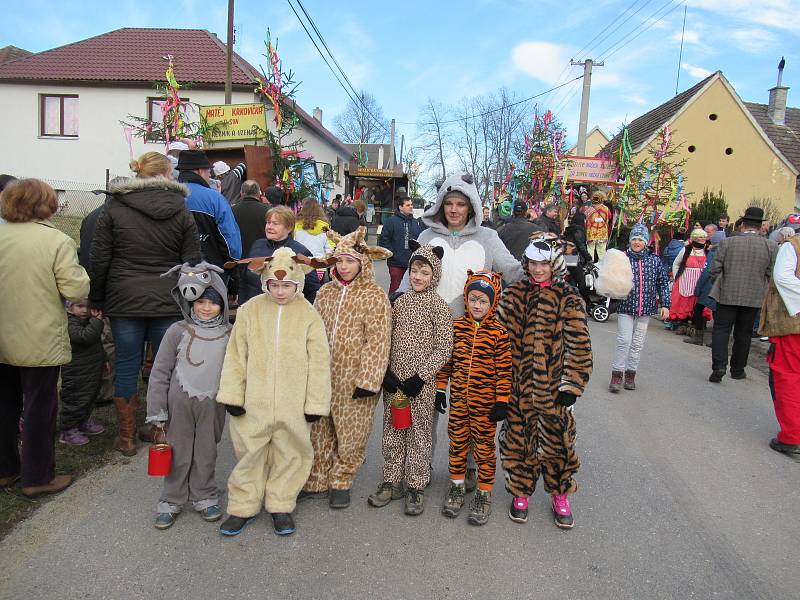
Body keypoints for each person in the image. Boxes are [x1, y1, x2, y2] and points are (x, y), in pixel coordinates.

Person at [402, 172, 523, 492]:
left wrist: (544, 263)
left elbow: (512, 271)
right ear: (441, 205)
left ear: (472, 207)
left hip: (475, 334)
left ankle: (469, 466)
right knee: (428, 401)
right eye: (449, 203)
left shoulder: (487, 238)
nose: (454, 209)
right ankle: (420, 462)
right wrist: (396, 308)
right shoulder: (427, 236)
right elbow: (412, 275)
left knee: (473, 403)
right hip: (430, 333)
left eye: (461, 204)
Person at [90, 152, 201, 455]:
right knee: (164, 367)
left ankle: (126, 437)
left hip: (124, 298)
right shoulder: (180, 208)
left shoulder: (114, 207)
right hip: (166, 299)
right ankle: (157, 428)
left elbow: (100, 258)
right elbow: (192, 261)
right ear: (166, 174)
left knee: (126, 365)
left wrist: (97, 298)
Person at [217, 248, 331, 536]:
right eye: (275, 285)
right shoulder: (249, 311)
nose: (281, 292)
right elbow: (235, 355)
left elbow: (319, 362)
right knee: (249, 453)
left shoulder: (308, 314)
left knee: (291, 453)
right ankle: (242, 506)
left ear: (298, 283)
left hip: (293, 403)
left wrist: (315, 402)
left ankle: (281, 503)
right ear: (265, 281)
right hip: (254, 401)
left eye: (287, 286)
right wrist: (232, 394)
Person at [0, 179, 90, 497]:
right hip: (37, 336)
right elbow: (75, 289)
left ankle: (6, 469)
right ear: (48, 204)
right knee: (40, 407)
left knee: (5, 405)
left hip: (3, 334)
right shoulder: (56, 241)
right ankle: (37, 476)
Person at [497, 236, 593, 529]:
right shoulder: (514, 295)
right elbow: (499, 342)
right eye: (533, 263)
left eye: (544, 264)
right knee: (518, 441)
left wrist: (572, 385)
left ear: (555, 265)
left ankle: (560, 495)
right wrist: (500, 384)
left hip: (554, 390)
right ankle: (521, 491)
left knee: (558, 445)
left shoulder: (569, 298)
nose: (538, 269)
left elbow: (579, 345)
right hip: (518, 387)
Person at [301, 227, 392, 509]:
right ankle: (317, 478)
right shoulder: (325, 293)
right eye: (339, 261)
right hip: (323, 375)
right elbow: (311, 332)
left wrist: (369, 380)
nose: (343, 266)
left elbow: (378, 340)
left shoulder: (374, 295)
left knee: (350, 433)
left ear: (362, 262)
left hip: (354, 378)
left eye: (350, 261)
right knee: (319, 429)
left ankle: (342, 479)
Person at [145, 263, 232, 530]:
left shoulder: (231, 334)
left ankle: (204, 495)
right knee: (179, 450)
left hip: (213, 404)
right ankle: (171, 500)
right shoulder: (177, 331)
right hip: (179, 402)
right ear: (190, 301)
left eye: (213, 303)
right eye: (201, 302)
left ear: (223, 304)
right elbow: (159, 372)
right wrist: (157, 411)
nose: (206, 308)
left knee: (206, 450)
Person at [369, 243, 453, 516]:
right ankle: (392, 481)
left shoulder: (439, 307)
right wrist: (386, 373)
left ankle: (416, 485)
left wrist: (422, 377)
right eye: (414, 270)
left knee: (419, 434)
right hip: (395, 383)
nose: (417, 276)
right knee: (393, 430)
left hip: (421, 386)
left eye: (424, 272)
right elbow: (384, 339)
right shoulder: (398, 302)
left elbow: (444, 347)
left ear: (434, 275)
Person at [437, 271, 511, 525]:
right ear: (466, 299)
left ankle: (484, 492)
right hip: (458, 401)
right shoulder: (457, 327)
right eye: (473, 300)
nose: (477, 306)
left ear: (493, 303)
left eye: (483, 301)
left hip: (486, 405)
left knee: (483, 449)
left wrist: (502, 401)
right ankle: (457, 486)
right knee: (457, 443)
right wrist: (439, 389)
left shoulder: (499, 334)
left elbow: (504, 371)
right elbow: (447, 363)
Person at [708, 207, 778, 383]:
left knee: (721, 330)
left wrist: (723, 281)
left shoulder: (727, 242)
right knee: (744, 334)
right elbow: (771, 273)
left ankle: (719, 366)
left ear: (743, 224)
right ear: (760, 226)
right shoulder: (771, 246)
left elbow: (715, 269)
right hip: (754, 296)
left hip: (727, 293)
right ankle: (738, 369)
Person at [609, 224, 671, 393]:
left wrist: (666, 304)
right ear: (630, 241)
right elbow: (610, 278)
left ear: (646, 242)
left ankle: (631, 374)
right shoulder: (622, 258)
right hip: (625, 306)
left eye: (640, 239)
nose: (637, 242)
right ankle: (617, 374)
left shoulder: (654, 261)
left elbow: (663, 283)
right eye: (634, 239)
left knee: (637, 343)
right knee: (624, 340)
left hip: (646, 309)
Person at [758, 235, 800, 459]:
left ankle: (792, 436)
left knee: (788, 377)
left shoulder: (792, 246)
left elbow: (783, 278)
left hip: (793, 324)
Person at [238, 206, 321, 305]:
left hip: (284, 314)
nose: (269, 227)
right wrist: (242, 307)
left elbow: (312, 290)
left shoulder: (300, 252)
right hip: (254, 312)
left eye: (275, 223)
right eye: (268, 222)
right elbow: (244, 281)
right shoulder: (257, 245)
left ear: (289, 228)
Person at [177, 150, 242, 271]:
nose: (210, 175)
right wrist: (232, 266)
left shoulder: (168, 194)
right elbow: (231, 242)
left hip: (176, 270)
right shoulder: (214, 198)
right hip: (210, 271)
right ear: (200, 171)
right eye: (208, 171)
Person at [58, 299, 106, 446]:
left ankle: (82, 422)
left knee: (89, 397)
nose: (85, 310)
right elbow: (85, 337)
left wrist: (105, 359)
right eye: (80, 306)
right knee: (75, 399)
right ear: (70, 307)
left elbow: (97, 343)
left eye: (88, 306)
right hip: (76, 372)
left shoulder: (88, 321)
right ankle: (68, 430)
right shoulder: (70, 323)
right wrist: (98, 322)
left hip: (91, 369)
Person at [379, 194, 426, 294]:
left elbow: (420, 239)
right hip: (395, 263)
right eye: (408, 205)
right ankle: (392, 308)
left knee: (411, 289)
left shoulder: (415, 222)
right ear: (400, 207)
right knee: (396, 288)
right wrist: (392, 253)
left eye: (411, 204)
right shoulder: (391, 221)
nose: (411, 207)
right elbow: (384, 239)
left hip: (412, 263)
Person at [669, 229, 709, 336]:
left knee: (698, 303)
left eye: (703, 238)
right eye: (700, 238)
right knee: (684, 303)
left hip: (700, 281)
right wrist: (677, 277)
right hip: (686, 280)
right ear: (694, 238)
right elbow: (676, 264)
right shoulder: (685, 250)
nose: (702, 240)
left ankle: (696, 326)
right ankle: (683, 324)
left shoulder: (707, 251)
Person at [231, 180, 269, 260]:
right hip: (261, 256)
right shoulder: (267, 211)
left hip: (239, 257)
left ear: (241, 193)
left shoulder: (231, 211)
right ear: (259, 193)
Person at [562, 211, 594, 306]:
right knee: (581, 281)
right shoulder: (578, 231)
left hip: (567, 257)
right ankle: (587, 302)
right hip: (574, 257)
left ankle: (571, 300)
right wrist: (588, 257)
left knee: (572, 279)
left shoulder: (569, 230)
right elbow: (581, 246)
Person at [583, 191, 612, 261]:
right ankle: (601, 268)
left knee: (590, 250)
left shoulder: (588, 209)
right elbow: (610, 217)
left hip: (591, 232)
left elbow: (584, 220)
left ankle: (590, 267)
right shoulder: (606, 209)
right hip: (602, 232)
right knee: (601, 251)